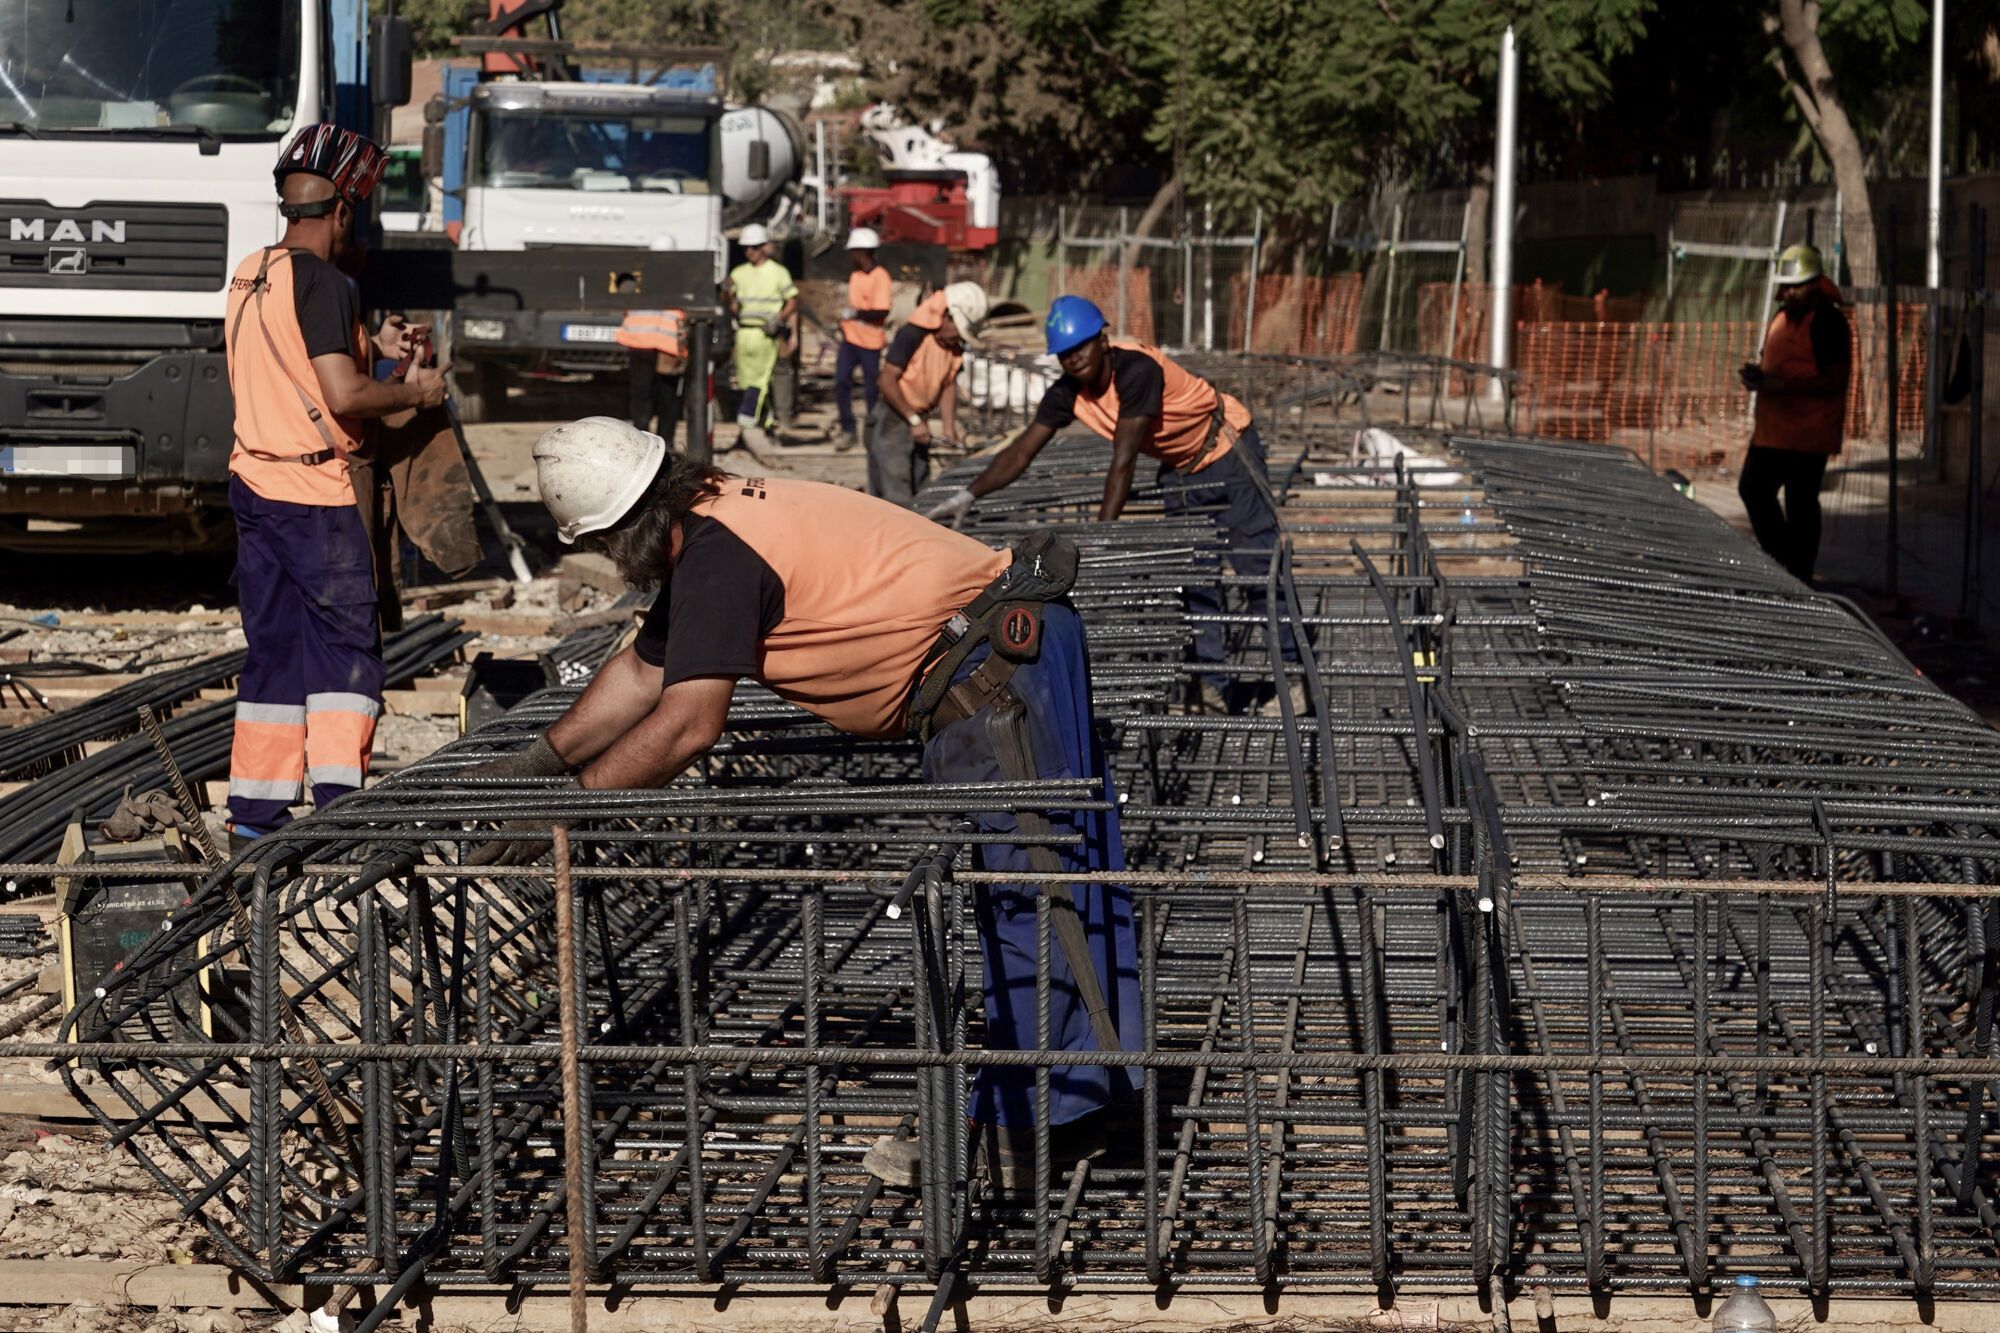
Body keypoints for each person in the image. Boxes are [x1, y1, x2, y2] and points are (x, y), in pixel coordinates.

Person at [465, 416, 1139, 1190]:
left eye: (606, 546)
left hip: (998, 671)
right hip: (1006, 654)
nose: (618, 564)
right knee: (1056, 887)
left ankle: (1023, 1138)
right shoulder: (715, 515)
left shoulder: (720, 554)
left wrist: (567, 810)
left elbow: (687, 724)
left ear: (626, 527)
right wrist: (543, 759)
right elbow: (644, 672)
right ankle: (1081, 1106)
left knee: (1031, 897)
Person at [222, 123, 450, 847]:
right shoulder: (326, 282)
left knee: (275, 649)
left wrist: (371, 346)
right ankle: (339, 810)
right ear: (342, 210)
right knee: (346, 652)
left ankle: (254, 816)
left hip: (255, 484)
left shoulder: (252, 271)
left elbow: (290, 362)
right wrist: (416, 391)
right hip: (315, 498)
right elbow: (345, 396)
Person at [926, 296, 1296, 713]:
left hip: (1228, 451)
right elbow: (1021, 452)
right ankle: (1213, 686)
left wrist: (1101, 537)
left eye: (1081, 347)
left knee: (1256, 570)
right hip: (1182, 470)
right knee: (1195, 582)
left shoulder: (1137, 370)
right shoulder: (1068, 392)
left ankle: (1293, 678)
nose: (1074, 359)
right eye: (1065, 353)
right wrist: (969, 493)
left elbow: (1124, 460)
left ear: (1102, 340)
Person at [1736, 243, 1851, 584]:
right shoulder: (1782, 317)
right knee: (1753, 489)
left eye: (1795, 287)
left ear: (1814, 283)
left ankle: (1798, 574)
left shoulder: (1829, 322)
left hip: (1808, 435)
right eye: (1785, 286)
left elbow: (1835, 380)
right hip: (1773, 433)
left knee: (1801, 504)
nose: (1787, 293)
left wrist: (1783, 386)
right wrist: (1760, 377)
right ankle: (1784, 565)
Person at [868, 281, 987, 506]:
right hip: (894, 417)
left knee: (921, 483)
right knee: (896, 490)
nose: (957, 338)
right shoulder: (912, 335)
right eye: (958, 331)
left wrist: (949, 427)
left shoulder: (953, 346)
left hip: (919, 417)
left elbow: (948, 383)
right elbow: (886, 380)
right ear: (946, 317)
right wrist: (913, 420)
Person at [722, 223, 797, 452]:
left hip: (766, 334)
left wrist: (779, 319)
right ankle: (766, 423)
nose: (749, 252)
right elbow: (731, 301)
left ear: (764, 247)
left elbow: (792, 301)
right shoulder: (739, 273)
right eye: (746, 248)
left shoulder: (778, 272)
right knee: (747, 381)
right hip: (744, 333)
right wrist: (729, 297)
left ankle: (747, 421)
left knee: (759, 380)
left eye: (753, 247)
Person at [834, 228, 893, 450]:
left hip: (870, 342)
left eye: (854, 251)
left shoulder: (881, 277)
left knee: (871, 389)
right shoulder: (856, 276)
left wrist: (856, 314)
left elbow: (881, 311)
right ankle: (848, 429)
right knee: (841, 382)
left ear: (862, 252)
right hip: (851, 339)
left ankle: (873, 431)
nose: (851, 256)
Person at [614, 304, 686, 445]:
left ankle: (642, 442)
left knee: (642, 395)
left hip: (641, 338)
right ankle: (664, 444)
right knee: (667, 397)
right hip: (667, 340)